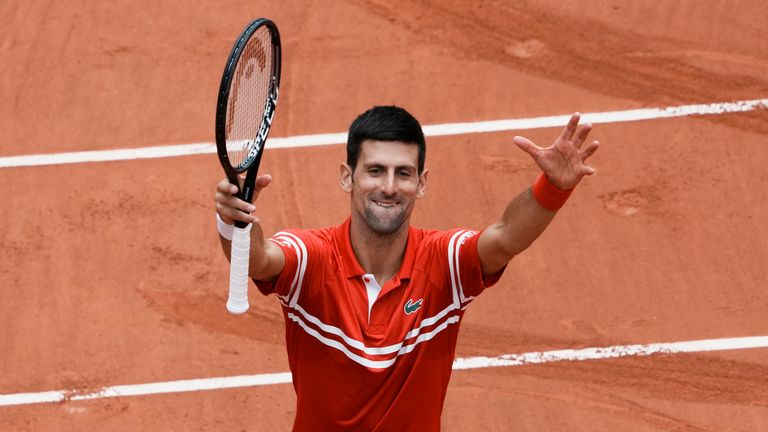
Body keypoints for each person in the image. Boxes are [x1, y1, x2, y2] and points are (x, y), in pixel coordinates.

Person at [214, 106, 599, 431]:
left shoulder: (443, 263)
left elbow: (505, 236)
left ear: (421, 183)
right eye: (376, 171)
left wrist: (553, 186)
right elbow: (260, 257)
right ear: (348, 177)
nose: (389, 187)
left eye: (403, 173)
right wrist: (235, 222)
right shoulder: (313, 258)